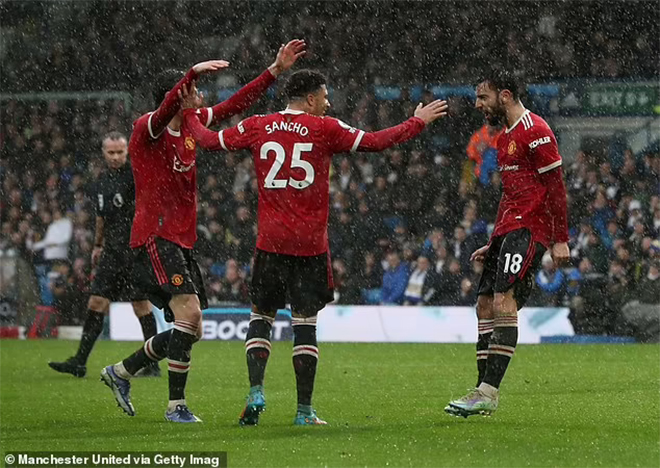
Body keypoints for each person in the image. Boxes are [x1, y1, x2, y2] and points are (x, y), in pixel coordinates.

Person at [182, 69, 448, 425]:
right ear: (309, 99)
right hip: (309, 245)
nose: (328, 102)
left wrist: (187, 118)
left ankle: (256, 391)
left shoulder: (259, 125)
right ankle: (304, 411)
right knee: (305, 324)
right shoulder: (326, 129)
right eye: (324, 96)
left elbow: (210, 141)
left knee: (261, 317)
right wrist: (416, 122)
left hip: (271, 241)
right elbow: (376, 141)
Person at [100, 40, 306, 424]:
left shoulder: (193, 125)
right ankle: (175, 407)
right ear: (176, 96)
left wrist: (274, 71)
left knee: (190, 329)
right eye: (192, 91)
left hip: (180, 239)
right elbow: (165, 110)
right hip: (154, 237)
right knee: (190, 313)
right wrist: (190, 73)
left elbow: (235, 104)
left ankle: (120, 372)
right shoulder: (148, 128)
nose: (199, 95)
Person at [445, 70, 569, 418]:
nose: (477, 105)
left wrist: (561, 239)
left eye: (482, 97)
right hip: (509, 230)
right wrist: (494, 240)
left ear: (504, 95)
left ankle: (488, 391)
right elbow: (510, 195)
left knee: (503, 301)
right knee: (484, 305)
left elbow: (556, 189)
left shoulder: (537, 131)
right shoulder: (503, 139)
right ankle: (480, 391)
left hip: (531, 229)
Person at [49, 132, 159, 378]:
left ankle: (152, 364)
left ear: (127, 152)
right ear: (103, 153)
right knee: (96, 302)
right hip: (112, 251)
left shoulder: (136, 175)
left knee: (141, 305)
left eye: (120, 152)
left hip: (136, 249)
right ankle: (79, 362)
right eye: (111, 152)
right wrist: (98, 246)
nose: (116, 157)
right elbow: (101, 217)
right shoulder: (100, 182)